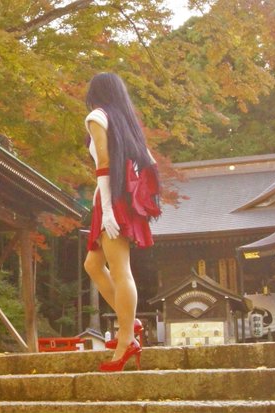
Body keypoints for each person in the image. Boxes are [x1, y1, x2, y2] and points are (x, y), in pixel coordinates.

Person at [82, 73, 160, 372]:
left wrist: (108, 210)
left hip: (111, 200)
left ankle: (126, 340)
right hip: (119, 198)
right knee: (93, 264)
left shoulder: (97, 117)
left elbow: (103, 164)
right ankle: (131, 321)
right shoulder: (126, 124)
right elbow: (147, 164)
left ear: (95, 92)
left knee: (120, 269)